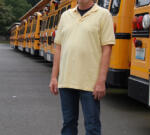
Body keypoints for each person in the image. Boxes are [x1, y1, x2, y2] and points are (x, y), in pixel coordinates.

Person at [49, 0, 115, 135]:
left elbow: (107, 49)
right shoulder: (65, 16)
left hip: (90, 83)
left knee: (92, 126)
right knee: (68, 124)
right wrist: (54, 77)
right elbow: (58, 48)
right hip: (66, 81)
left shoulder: (103, 15)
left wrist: (101, 81)